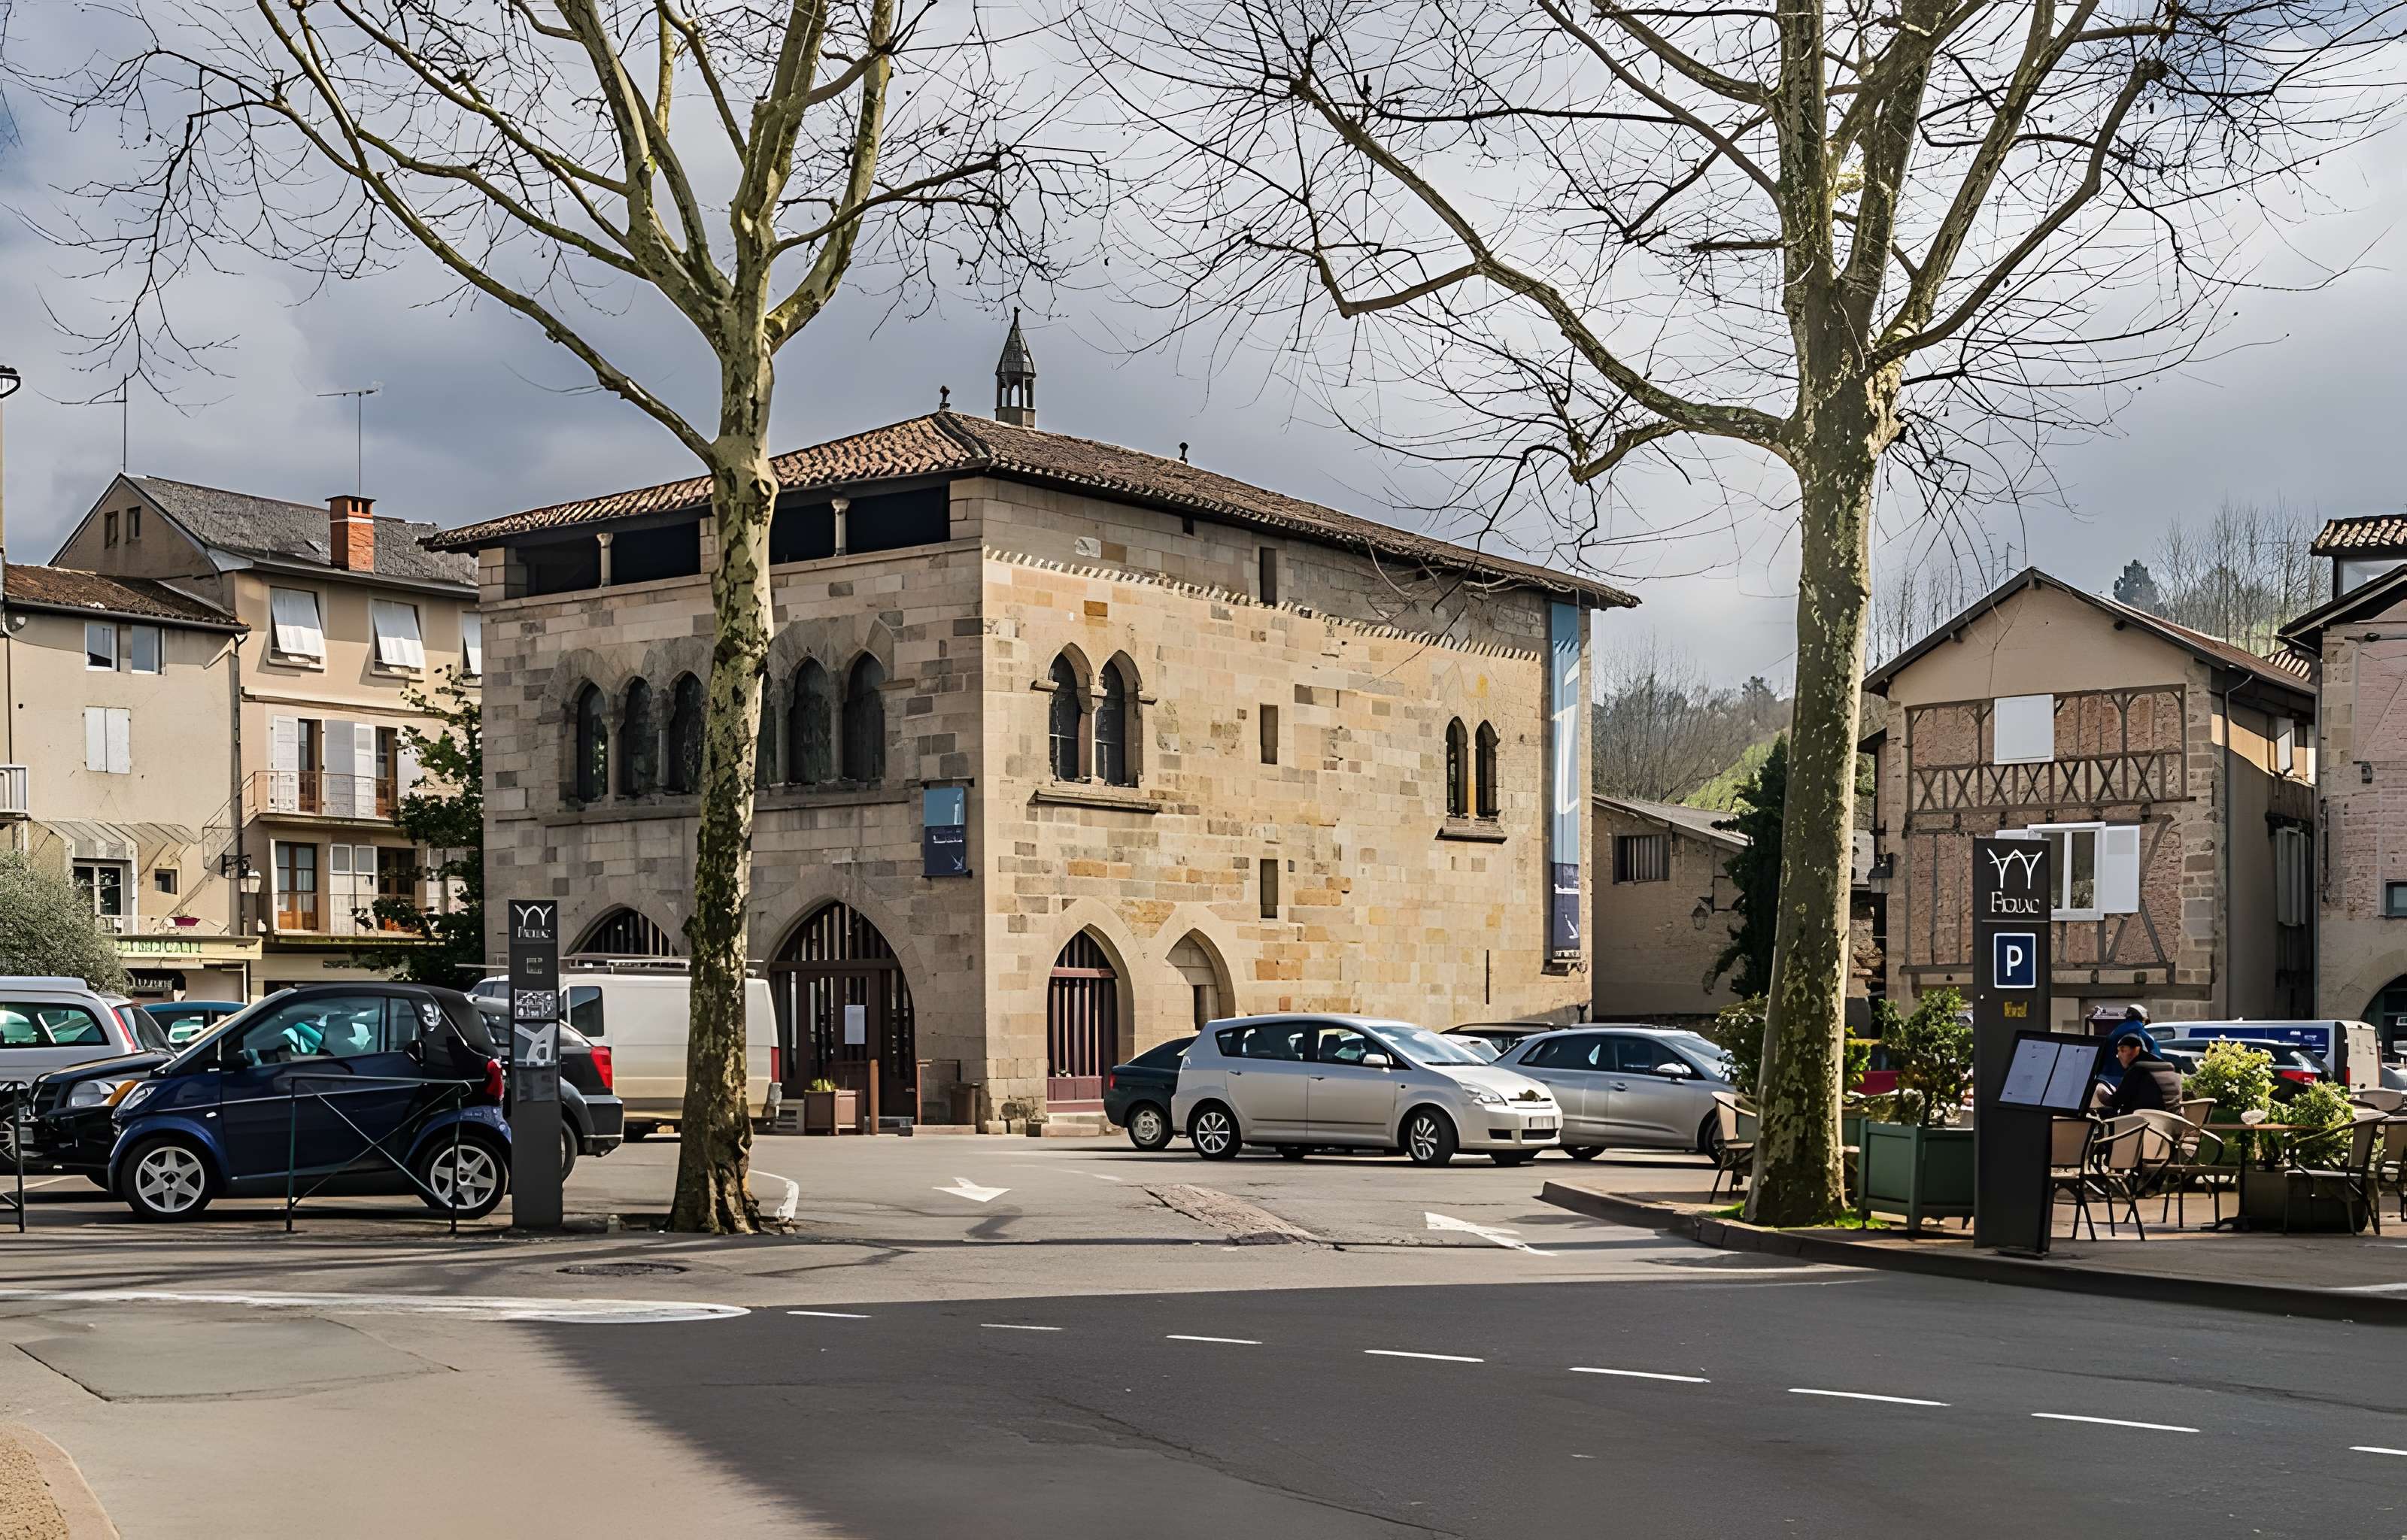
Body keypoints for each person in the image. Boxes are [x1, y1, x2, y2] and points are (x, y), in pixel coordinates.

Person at [2102, 1032, 2183, 1116]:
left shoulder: (2138, 1068)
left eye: (2123, 1050)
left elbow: (2116, 1101)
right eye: (2118, 1051)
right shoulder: (2161, 1064)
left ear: (2136, 1050)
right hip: (2170, 1117)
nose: (2119, 1055)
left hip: (2147, 1120)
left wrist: (2101, 1092)